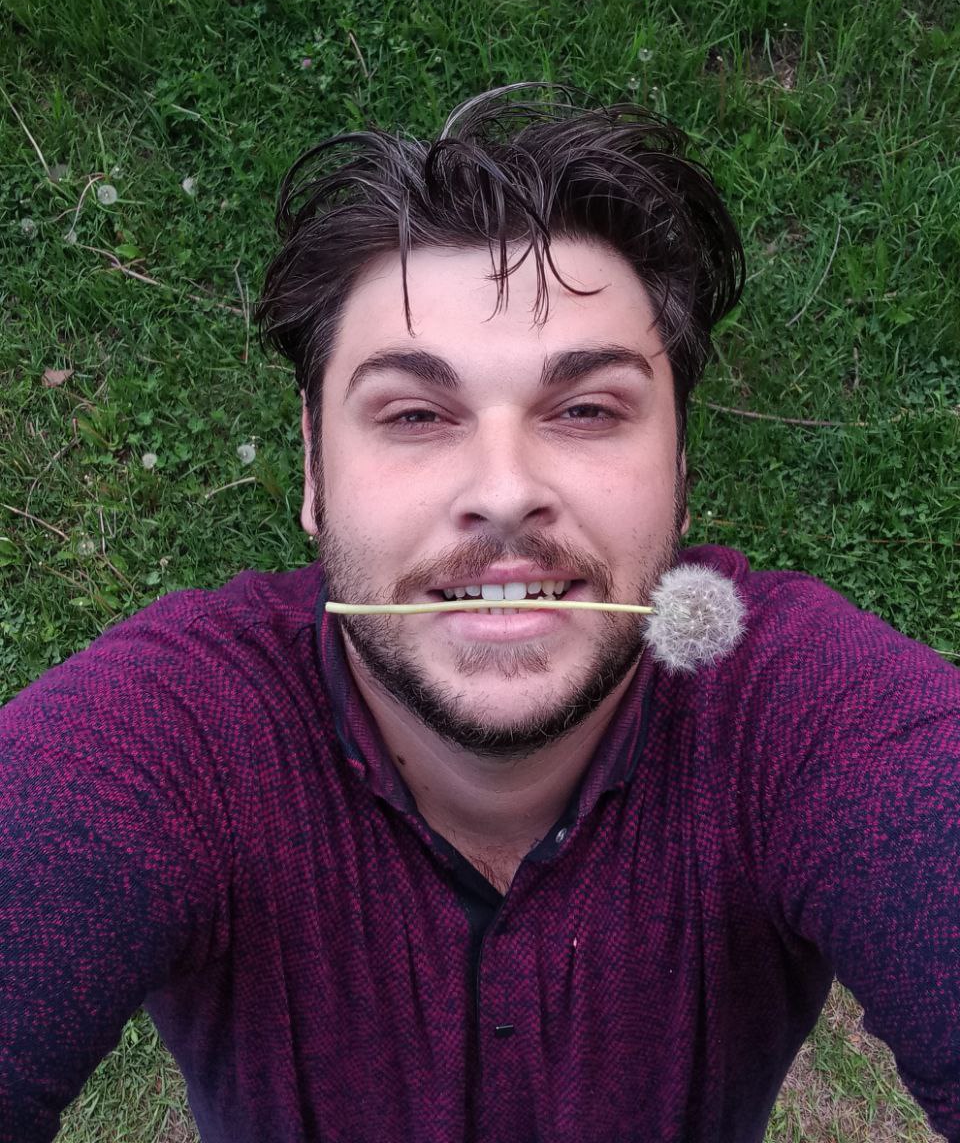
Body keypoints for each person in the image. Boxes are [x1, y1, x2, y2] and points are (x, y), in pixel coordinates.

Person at [1, 86, 958, 1143]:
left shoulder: (802, 711)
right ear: (313, 471)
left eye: (586, 409)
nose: (504, 492)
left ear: (683, 471)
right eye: (415, 414)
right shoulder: (177, 732)